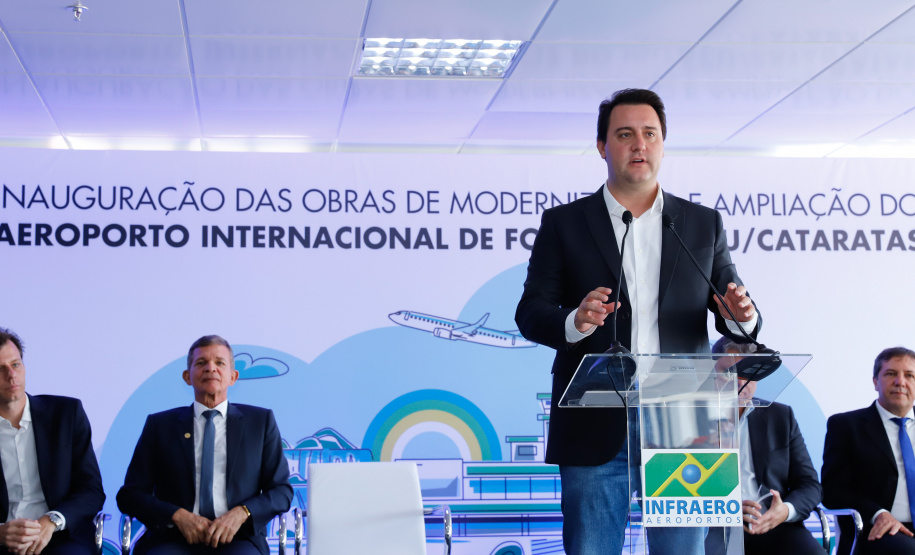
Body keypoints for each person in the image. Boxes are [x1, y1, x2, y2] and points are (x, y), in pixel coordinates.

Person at [514, 88, 761, 555]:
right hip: (594, 417)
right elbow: (531, 312)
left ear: (663, 144)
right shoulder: (564, 224)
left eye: (649, 134)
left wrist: (741, 317)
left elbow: (735, 307)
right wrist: (576, 322)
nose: (638, 145)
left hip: (685, 417)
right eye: (624, 134)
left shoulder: (701, 224)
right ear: (602, 147)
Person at [117, 335, 292, 555]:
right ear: (187, 377)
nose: (211, 368)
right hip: (172, 536)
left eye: (220, 363)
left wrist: (242, 512)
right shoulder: (160, 425)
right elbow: (130, 495)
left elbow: (281, 491)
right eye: (201, 363)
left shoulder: (260, 422)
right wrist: (177, 515)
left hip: (239, 537)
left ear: (233, 377)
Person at [704, 337, 824, 555]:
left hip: (772, 523)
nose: (740, 382)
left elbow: (809, 485)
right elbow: (669, 486)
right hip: (710, 527)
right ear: (711, 373)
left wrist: (784, 511)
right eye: (729, 372)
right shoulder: (686, 417)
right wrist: (724, 510)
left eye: (748, 373)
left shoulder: (780, 416)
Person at [0, 328, 105, 555]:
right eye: (0, 369)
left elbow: (91, 491)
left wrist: (52, 521)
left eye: (15, 365)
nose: (11, 375)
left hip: (59, 535)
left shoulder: (66, 414)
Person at [822, 346, 915, 555]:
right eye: (891, 374)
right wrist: (878, 514)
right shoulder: (846, 426)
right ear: (875, 381)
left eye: (910, 375)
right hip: (878, 531)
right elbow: (832, 490)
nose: (901, 382)